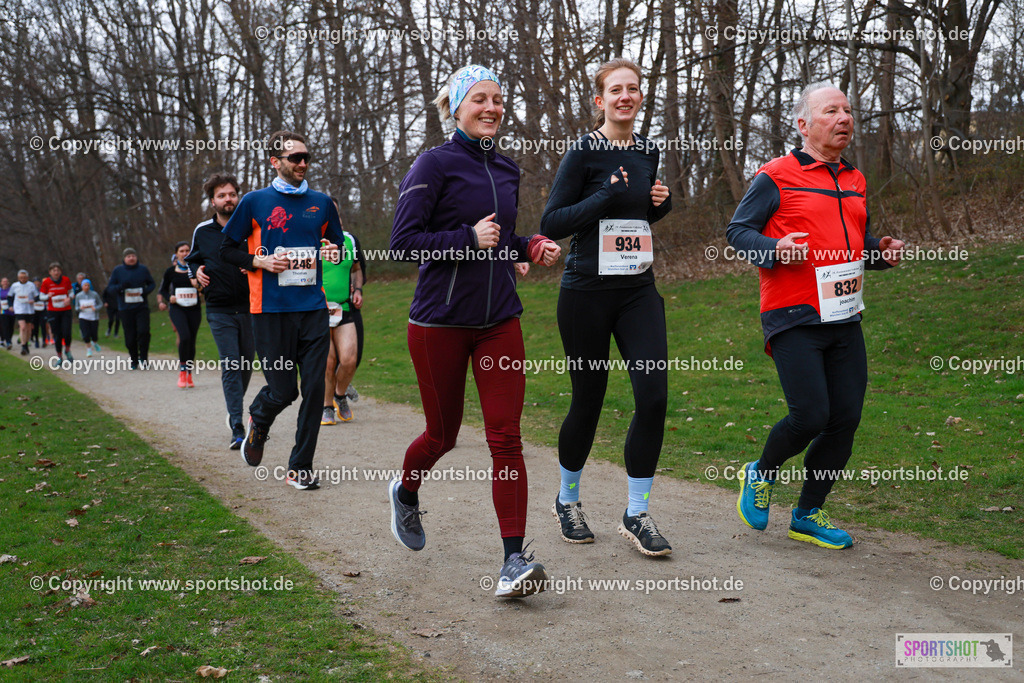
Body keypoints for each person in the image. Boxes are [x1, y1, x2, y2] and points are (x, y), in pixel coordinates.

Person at [387, 65, 562, 598]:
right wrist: (467, 238)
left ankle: (514, 560)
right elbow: (403, 244)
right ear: (456, 108)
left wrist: (527, 245)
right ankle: (406, 490)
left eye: (498, 100)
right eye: (480, 99)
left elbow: (501, 237)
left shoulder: (507, 168)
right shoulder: (432, 164)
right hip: (438, 324)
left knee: (506, 438)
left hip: (498, 323)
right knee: (442, 435)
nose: (492, 107)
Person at [727, 82, 905, 549]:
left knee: (844, 419)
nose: (845, 118)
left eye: (848, 111)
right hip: (793, 315)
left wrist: (879, 252)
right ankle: (760, 473)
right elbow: (737, 232)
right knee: (809, 416)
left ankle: (807, 513)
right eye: (832, 111)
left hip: (845, 316)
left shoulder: (855, 179)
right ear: (804, 125)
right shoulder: (776, 175)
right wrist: (773, 248)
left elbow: (848, 245)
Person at [539, 58, 674, 556]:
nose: (625, 96)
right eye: (615, 90)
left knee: (654, 397)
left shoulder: (647, 151)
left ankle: (636, 513)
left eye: (632, 89)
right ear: (600, 101)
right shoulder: (583, 152)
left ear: (640, 98)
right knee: (589, 399)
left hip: (638, 290)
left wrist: (659, 204)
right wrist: (604, 194)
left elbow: (635, 220)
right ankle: (567, 500)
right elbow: (552, 221)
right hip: (586, 293)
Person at [220, 130, 344, 491]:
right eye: (295, 158)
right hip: (269, 310)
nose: (303, 163)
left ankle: (300, 467)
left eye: (306, 157)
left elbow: (335, 243)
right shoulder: (255, 202)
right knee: (283, 390)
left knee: (313, 388)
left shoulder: (321, 203)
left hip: (313, 309)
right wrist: (260, 261)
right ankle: (259, 420)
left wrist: (333, 251)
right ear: (275, 162)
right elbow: (227, 250)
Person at [186, 172, 255, 449]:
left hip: (251, 307)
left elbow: (265, 255)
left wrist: (253, 263)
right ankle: (237, 427)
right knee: (231, 364)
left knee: (246, 365)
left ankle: (234, 408)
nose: (228, 199)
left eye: (232, 194)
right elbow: (192, 262)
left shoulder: (252, 227)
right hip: (219, 309)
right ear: (212, 201)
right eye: (222, 195)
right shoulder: (203, 231)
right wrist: (196, 274)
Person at [320, 209, 365, 425]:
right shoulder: (309, 242)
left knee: (349, 359)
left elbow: (356, 269)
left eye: (336, 216)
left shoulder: (349, 240)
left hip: (343, 308)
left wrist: (357, 290)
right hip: (317, 310)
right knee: (328, 362)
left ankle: (340, 394)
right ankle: (326, 406)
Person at [159, 242, 203, 388]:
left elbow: (204, 287)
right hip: (177, 308)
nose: (185, 253)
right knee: (184, 337)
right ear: (176, 254)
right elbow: (163, 290)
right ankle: (182, 371)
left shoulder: (196, 269)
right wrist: (168, 297)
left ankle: (189, 373)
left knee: (192, 340)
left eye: (187, 250)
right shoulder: (170, 271)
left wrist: (198, 286)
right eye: (181, 251)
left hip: (194, 309)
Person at [106, 248, 156, 369]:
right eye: (128, 256)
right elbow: (110, 288)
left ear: (136, 257)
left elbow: (152, 284)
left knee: (144, 332)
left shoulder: (143, 269)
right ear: (124, 259)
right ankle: (134, 359)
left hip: (141, 307)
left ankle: (143, 358)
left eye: (133, 255)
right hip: (125, 308)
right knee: (130, 336)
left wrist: (145, 291)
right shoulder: (118, 271)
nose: (131, 258)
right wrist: (121, 287)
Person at [39, 262, 75, 362]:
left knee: (67, 332)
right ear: (50, 272)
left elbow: (71, 292)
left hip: (66, 310)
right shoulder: (46, 282)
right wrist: (48, 296)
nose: (56, 272)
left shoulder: (66, 280)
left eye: (58, 270)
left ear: (61, 271)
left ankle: (67, 350)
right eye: (54, 270)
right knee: (57, 334)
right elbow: (41, 297)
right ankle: (59, 356)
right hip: (53, 311)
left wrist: (70, 298)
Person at [9, 270, 37, 355]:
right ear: (18, 278)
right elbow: (9, 296)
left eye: (24, 277)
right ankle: (23, 346)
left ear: (27, 277)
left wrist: (33, 300)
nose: (23, 279)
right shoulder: (14, 285)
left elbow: (37, 296)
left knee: (28, 329)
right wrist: (10, 306)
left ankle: (26, 345)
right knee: (23, 327)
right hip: (19, 309)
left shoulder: (31, 285)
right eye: (21, 277)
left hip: (29, 309)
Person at [74, 279, 103, 356]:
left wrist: (95, 308)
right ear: (82, 286)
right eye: (85, 285)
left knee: (94, 334)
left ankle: (95, 343)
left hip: (93, 317)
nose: (86, 287)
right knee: (86, 334)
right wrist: (80, 308)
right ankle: (89, 350)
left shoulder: (95, 294)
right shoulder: (78, 296)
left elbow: (100, 304)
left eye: (88, 285)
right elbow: (76, 308)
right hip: (83, 317)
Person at [0, 277, 14, 350]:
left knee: (11, 327)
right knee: (4, 326)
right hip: (2, 311)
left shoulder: (11, 290)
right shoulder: (0, 290)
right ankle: (7, 341)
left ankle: (9, 339)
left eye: (6, 281)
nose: (5, 283)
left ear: (8, 283)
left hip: (11, 311)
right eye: (3, 281)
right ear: (1, 283)